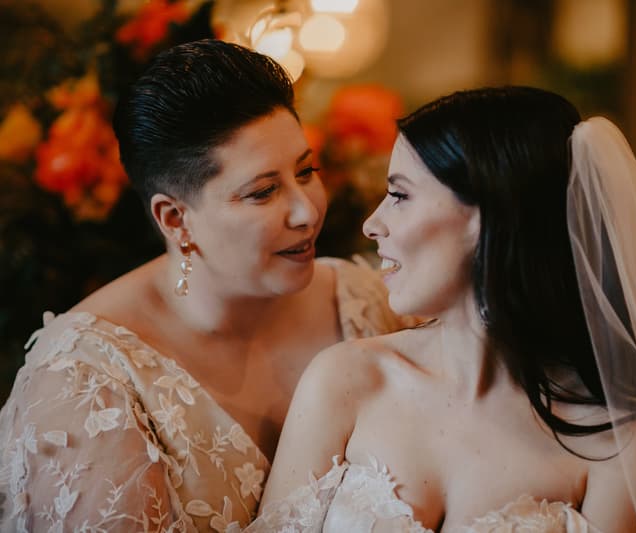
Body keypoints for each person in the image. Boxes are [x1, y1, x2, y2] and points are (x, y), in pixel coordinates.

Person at [251, 87, 636, 532]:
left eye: (399, 195)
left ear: (489, 215)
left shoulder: (619, 443)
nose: (372, 224)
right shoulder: (347, 379)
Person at [0, 40, 414, 532]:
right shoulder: (88, 387)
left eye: (307, 172)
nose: (307, 211)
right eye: (263, 192)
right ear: (175, 219)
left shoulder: (370, 304)